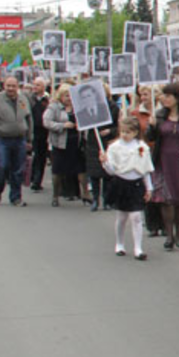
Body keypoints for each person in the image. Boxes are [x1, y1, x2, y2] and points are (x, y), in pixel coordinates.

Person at [146, 82, 179, 250]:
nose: (164, 99)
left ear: (177, 98)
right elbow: (150, 137)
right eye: (163, 95)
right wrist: (152, 126)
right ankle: (168, 235)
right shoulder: (160, 115)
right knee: (166, 199)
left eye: (168, 96)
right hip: (163, 160)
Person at [100, 115, 154, 261]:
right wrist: (105, 163)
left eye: (128, 132)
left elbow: (146, 170)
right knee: (122, 216)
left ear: (135, 132)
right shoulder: (114, 147)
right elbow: (111, 171)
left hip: (136, 184)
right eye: (122, 131)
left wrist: (149, 188)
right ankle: (120, 243)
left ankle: (138, 248)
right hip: (121, 183)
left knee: (136, 216)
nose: (125, 134)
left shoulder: (142, 147)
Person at [0, 76, 32, 206]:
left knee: (18, 169)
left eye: (13, 86)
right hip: (2, 139)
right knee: (2, 166)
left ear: (17, 87)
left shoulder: (23, 99)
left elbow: (29, 119)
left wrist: (30, 139)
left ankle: (15, 197)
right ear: (4, 86)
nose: (10, 88)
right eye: (8, 86)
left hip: (19, 139)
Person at [43, 85, 87, 207]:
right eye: (67, 95)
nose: (69, 98)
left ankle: (86, 194)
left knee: (81, 169)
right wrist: (62, 126)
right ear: (61, 96)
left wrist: (81, 126)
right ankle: (55, 195)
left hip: (76, 143)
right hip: (60, 144)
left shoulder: (78, 107)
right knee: (57, 171)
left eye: (71, 95)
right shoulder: (54, 107)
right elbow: (46, 122)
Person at [84, 84, 119, 212]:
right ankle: (95, 199)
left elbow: (118, 126)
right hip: (93, 142)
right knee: (94, 173)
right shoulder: (89, 107)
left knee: (107, 174)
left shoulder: (113, 107)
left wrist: (110, 131)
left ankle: (106, 199)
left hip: (107, 142)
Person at [28, 78, 50, 192]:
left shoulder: (48, 99)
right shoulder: (29, 99)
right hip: (33, 131)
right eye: (34, 84)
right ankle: (33, 179)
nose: (35, 87)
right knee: (35, 155)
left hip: (45, 132)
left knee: (42, 156)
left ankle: (38, 180)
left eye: (38, 85)